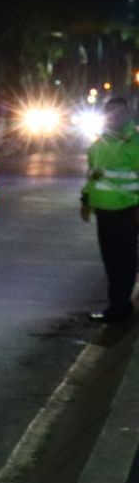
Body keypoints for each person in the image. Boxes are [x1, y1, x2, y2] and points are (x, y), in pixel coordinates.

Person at [81, 97, 139, 324]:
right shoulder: (100, 142)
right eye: (110, 112)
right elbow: (93, 174)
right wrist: (86, 200)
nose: (114, 116)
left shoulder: (135, 142)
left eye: (119, 112)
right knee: (111, 259)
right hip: (104, 210)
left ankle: (120, 306)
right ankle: (117, 304)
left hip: (127, 209)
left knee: (124, 259)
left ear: (128, 113)